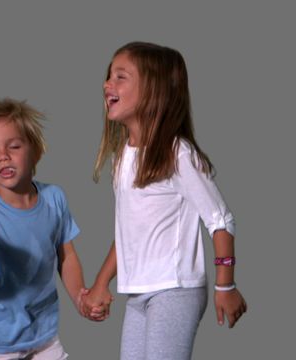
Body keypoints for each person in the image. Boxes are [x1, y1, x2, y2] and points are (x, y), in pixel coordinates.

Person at [81, 42, 248, 360]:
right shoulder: (123, 159)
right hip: (138, 292)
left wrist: (225, 285)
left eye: (121, 76)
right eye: (108, 76)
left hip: (176, 289)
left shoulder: (178, 154)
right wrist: (101, 283)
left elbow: (221, 220)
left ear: (152, 91)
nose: (107, 84)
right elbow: (128, 233)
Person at [0, 98, 100, 359]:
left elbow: (66, 256)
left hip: (43, 334)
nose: (3, 156)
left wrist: (80, 296)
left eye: (14, 146)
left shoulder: (55, 198)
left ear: (34, 150)